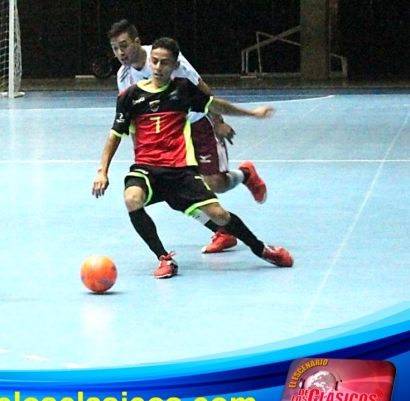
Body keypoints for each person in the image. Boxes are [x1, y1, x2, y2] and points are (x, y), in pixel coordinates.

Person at [92, 36, 293, 279]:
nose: (157, 67)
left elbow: (215, 105)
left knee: (219, 214)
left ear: (174, 65)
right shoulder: (129, 97)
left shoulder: (183, 90)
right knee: (132, 198)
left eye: (164, 63)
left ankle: (262, 249)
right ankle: (164, 258)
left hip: (180, 171)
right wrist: (102, 170)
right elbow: (115, 135)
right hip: (146, 170)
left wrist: (252, 114)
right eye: (154, 61)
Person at [107, 19, 266, 255]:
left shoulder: (164, 58)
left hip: (196, 123)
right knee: (177, 191)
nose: (120, 53)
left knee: (215, 184)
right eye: (115, 48)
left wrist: (218, 121)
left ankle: (245, 175)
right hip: (167, 138)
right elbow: (133, 118)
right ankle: (221, 232)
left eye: (124, 45)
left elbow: (200, 88)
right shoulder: (124, 76)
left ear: (137, 42)